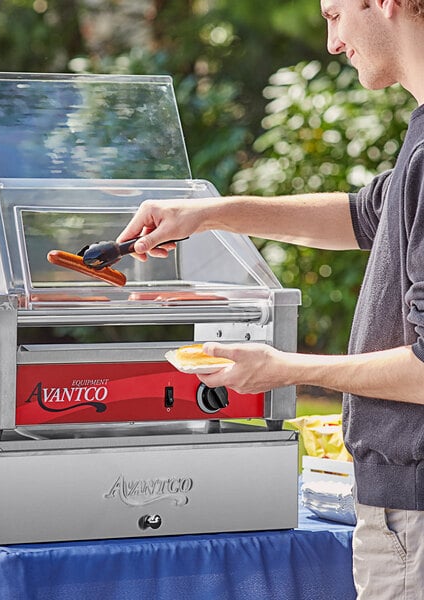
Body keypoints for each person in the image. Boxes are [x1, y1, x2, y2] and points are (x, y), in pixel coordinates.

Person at [117, 1, 424, 598]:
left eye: (335, 14)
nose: (332, 42)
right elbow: (364, 215)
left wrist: (280, 368)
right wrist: (208, 214)